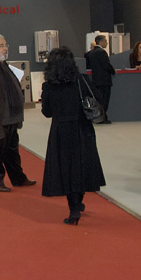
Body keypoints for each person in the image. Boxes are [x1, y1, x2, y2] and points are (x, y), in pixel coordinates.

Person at [40, 47, 105, 225]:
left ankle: (74, 207)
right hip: (82, 128)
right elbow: (98, 97)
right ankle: (78, 201)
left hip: (60, 131)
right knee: (81, 166)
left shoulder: (49, 86)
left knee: (65, 169)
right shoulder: (81, 80)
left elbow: (47, 112)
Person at [0, 35, 35, 191]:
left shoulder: (3, 66)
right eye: (1, 46)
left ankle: (18, 178)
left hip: (10, 118)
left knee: (12, 152)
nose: (5, 48)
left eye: (5, 45)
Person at [84, 35, 115, 123]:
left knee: (99, 100)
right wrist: (113, 71)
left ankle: (98, 117)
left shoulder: (92, 53)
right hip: (104, 80)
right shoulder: (102, 52)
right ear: (101, 42)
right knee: (105, 100)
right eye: (105, 41)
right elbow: (106, 65)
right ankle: (103, 118)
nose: (107, 43)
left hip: (96, 80)